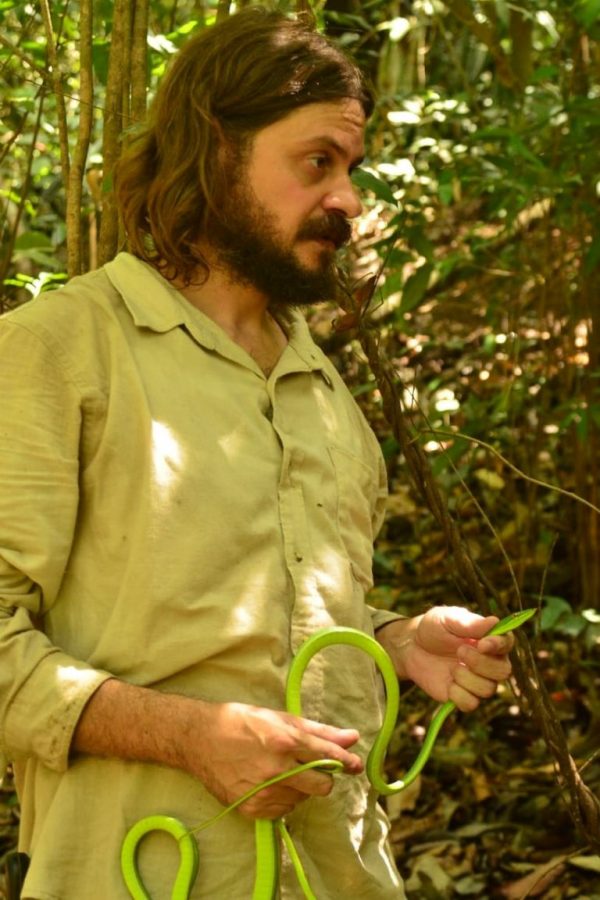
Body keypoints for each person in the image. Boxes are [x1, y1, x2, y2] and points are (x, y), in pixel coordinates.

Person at [0, 8, 514, 898]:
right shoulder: (60, 349)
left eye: (352, 169)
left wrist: (394, 642)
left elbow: (273, 615)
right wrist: (187, 736)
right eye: (317, 162)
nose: (348, 200)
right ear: (215, 150)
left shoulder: (327, 392)